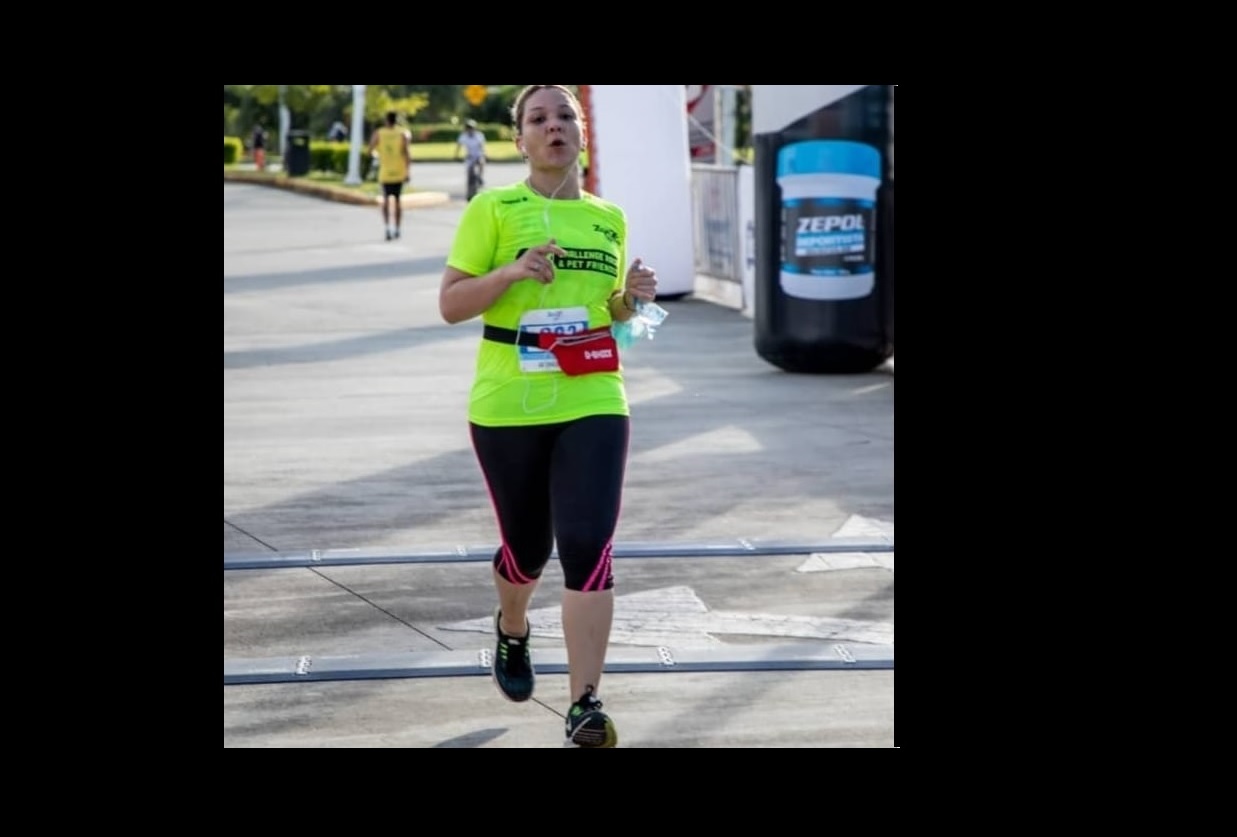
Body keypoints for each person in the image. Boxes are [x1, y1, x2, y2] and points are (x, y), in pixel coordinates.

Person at [438, 85, 658, 748]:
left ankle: (584, 702)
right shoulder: (493, 207)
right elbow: (451, 304)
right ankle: (512, 626)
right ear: (520, 140)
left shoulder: (608, 217)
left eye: (565, 115)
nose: (553, 126)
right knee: (528, 549)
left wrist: (630, 300)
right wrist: (511, 272)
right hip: (508, 402)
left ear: (582, 133)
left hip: (593, 394)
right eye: (538, 118)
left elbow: (611, 316)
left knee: (588, 542)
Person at [368, 111, 411, 241]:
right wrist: (408, 172)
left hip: (385, 172)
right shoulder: (403, 133)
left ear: (386, 120)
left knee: (386, 201)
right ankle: (397, 228)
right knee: (397, 201)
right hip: (399, 172)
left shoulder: (379, 133)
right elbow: (407, 154)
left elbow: (370, 150)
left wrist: (377, 157)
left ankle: (387, 227)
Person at [454, 119, 487, 201]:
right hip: (470, 156)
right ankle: (469, 193)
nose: (470, 130)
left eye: (471, 128)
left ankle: (480, 177)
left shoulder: (479, 135)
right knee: (469, 173)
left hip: (478, 155)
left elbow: (482, 146)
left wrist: (484, 154)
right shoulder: (463, 136)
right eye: (468, 128)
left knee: (481, 162)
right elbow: (459, 146)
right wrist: (456, 156)